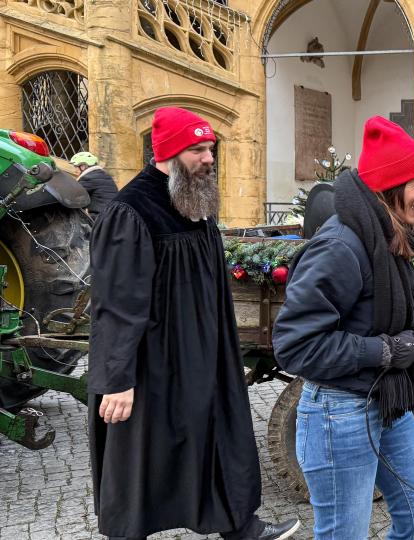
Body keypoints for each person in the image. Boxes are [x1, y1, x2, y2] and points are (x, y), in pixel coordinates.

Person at [87, 107, 300, 540]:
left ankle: (239, 526)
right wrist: (117, 379)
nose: (209, 158)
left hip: (203, 353)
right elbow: (117, 302)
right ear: (167, 153)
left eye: (210, 148)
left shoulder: (192, 200)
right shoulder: (132, 211)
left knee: (218, 432)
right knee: (138, 452)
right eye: (198, 149)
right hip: (152, 362)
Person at [272, 116, 414, 540]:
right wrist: (382, 351)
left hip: (386, 402)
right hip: (338, 413)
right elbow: (294, 345)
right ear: (392, 186)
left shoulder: (384, 236)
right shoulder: (342, 245)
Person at [69, 151, 118, 220]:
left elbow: (75, 197)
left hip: (100, 217)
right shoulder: (102, 175)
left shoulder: (88, 178)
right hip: (110, 215)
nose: (75, 171)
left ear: (83, 166)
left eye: (75, 167)